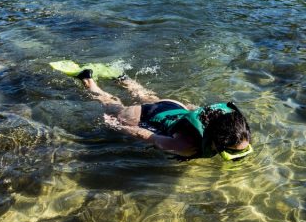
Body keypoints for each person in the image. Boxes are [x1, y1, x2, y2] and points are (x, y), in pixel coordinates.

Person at [76, 69, 253, 161]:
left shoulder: (232, 127)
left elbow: (196, 109)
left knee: (147, 96)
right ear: (216, 143)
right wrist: (116, 125)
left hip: (174, 106)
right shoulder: (184, 146)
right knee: (112, 106)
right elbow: (147, 135)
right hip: (143, 114)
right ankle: (88, 80)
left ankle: (122, 78)